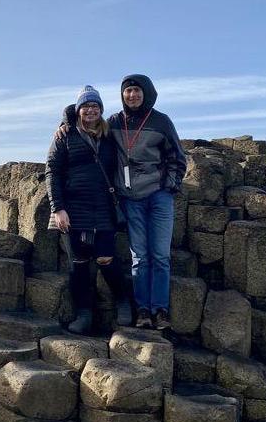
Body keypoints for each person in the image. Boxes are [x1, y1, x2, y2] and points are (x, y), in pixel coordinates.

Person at [62, 74, 187, 330]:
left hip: (158, 196)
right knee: (139, 257)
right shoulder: (115, 122)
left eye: (137, 91)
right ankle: (142, 310)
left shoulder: (161, 121)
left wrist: (168, 188)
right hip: (131, 199)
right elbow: (87, 120)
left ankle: (160, 310)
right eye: (128, 91)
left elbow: (178, 157)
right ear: (122, 95)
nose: (132, 95)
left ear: (147, 93)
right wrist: (65, 120)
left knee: (160, 256)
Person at [46, 85, 131, 334]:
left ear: (101, 110)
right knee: (79, 263)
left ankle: (123, 302)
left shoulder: (109, 135)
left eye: (95, 106)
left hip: (103, 207)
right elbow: (52, 171)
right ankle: (84, 315)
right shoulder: (65, 135)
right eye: (85, 106)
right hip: (74, 207)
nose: (90, 110)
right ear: (78, 110)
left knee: (106, 258)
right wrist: (58, 208)